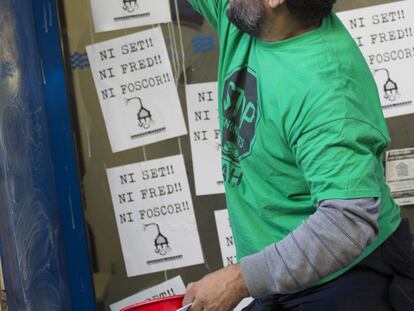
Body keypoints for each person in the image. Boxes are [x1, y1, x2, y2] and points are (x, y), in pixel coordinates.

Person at [183, 0, 414, 310]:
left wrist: (238, 280)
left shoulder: (326, 87)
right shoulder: (248, 16)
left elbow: (347, 222)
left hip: (347, 278)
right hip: (280, 279)